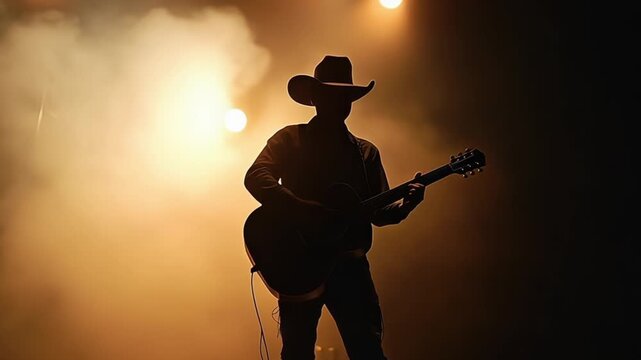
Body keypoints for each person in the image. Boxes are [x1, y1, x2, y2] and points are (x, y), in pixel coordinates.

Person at [244, 55, 426, 360]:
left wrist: (405, 206)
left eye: (345, 95)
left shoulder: (366, 152)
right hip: (298, 263)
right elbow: (256, 177)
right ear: (315, 98)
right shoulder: (290, 139)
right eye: (332, 93)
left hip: (350, 267)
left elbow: (378, 213)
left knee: (367, 351)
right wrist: (302, 209)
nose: (340, 101)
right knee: (298, 353)